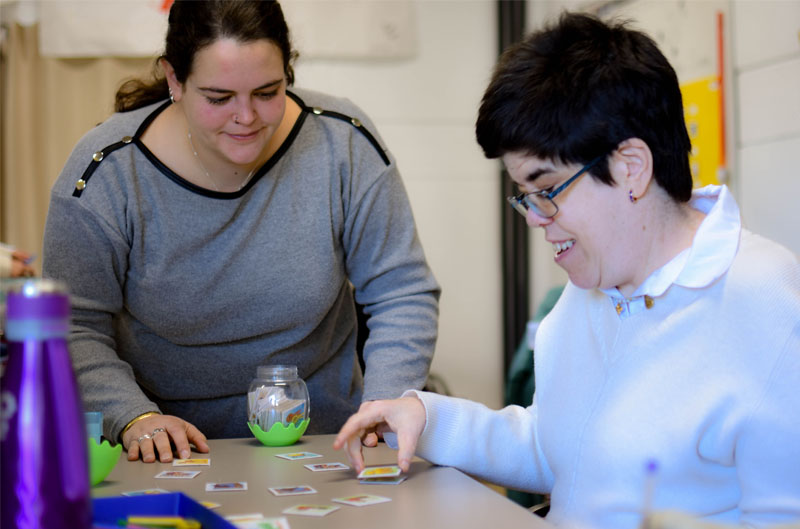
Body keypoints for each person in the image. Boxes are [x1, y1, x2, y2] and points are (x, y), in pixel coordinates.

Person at [335, 12, 800, 529]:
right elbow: (562, 449)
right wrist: (429, 417)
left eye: (548, 190)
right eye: (524, 196)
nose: (535, 218)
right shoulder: (592, 291)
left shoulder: (765, 302)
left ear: (631, 166)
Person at [42, 0, 439, 464]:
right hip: (165, 455)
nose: (247, 117)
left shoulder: (342, 143)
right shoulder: (106, 172)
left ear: (288, 72)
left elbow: (402, 290)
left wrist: (385, 402)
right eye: (218, 98)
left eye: (268, 92)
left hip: (327, 445)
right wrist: (133, 417)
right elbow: (73, 325)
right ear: (175, 79)